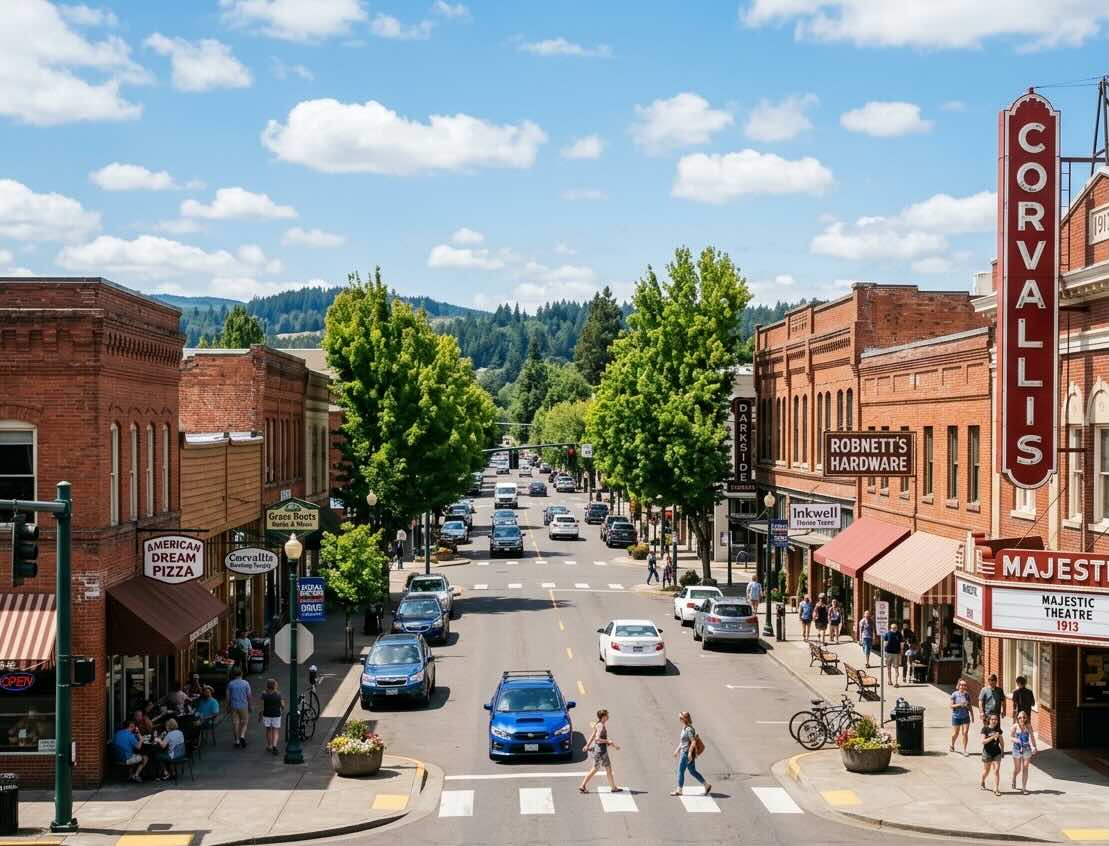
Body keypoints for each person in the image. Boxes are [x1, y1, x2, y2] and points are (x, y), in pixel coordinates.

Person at [578, 709, 621, 794]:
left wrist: (587, 745)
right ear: (604, 717)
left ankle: (613, 787)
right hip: (602, 751)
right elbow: (597, 739)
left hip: (599, 750)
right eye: (607, 715)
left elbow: (593, 735)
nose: (608, 716)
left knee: (600, 768)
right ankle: (583, 785)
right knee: (602, 769)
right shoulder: (600, 725)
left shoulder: (598, 724)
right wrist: (608, 741)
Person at [671, 711, 711, 796]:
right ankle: (706, 785)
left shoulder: (689, 730)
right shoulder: (685, 728)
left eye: (680, 718)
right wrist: (677, 750)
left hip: (685, 753)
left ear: (684, 719)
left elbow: (693, 742)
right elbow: (683, 742)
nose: (679, 719)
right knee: (692, 771)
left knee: (681, 771)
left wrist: (689, 753)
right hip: (685, 752)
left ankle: (679, 790)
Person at [1010, 711, 1037, 794]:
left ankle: (1024, 788)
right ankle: (1014, 777)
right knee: (1017, 769)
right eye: (1020, 718)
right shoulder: (1014, 726)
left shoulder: (1028, 726)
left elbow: (1032, 737)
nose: (1022, 719)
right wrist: (1016, 740)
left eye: (1024, 717)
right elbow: (1010, 737)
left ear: (1026, 718)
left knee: (1025, 767)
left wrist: (1034, 747)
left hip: (1026, 749)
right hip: (1017, 749)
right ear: (1017, 718)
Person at [227, 667, 252, 748]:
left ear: (233, 674)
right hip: (243, 705)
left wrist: (228, 706)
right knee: (244, 722)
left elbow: (228, 696)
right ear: (241, 673)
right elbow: (249, 696)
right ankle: (242, 736)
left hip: (234, 705)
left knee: (235, 723)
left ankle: (237, 741)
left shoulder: (230, 684)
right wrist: (250, 705)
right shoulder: (246, 683)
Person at [980, 713, 1004, 795]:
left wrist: (1003, 750)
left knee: (996, 770)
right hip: (987, 752)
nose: (994, 721)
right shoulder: (985, 729)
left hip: (997, 752)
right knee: (987, 771)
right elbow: (983, 741)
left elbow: (1001, 741)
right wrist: (992, 737)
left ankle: (996, 788)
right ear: (989, 720)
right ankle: (982, 781)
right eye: (992, 719)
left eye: (996, 719)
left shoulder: (998, 730)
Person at [259, 678, 285, 755]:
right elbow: (282, 705)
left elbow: (261, 706)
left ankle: (269, 745)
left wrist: (260, 714)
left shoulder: (264, 694)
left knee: (268, 730)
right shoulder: (279, 694)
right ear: (274, 685)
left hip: (267, 714)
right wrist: (281, 709)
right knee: (275, 730)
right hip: (276, 714)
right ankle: (275, 745)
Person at [950, 678, 974, 755]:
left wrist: (972, 715)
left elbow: (970, 706)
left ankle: (965, 750)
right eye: (961, 685)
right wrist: (960, 704)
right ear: (958, 686)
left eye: (964, 685)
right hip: (956, 717)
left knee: (965, 733)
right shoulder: (954, 694)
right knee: (955, 734)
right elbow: (951, 706)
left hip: (965, 716)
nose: (963, 686)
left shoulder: (967, 695)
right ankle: (952, 744)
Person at [882, 622, 902, 687]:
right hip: (888, 653)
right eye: (893, 628)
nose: (894, 629)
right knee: (888, 668)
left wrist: (901, 651)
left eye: (895, 628)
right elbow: (885, 644)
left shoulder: (899, 634)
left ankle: (896, 682)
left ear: (897, 628)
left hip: (896, 654)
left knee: (896, 668)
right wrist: (884, 653)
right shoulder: (887, 634)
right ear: (890, 628)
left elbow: (902, 643)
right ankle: (889, 680)